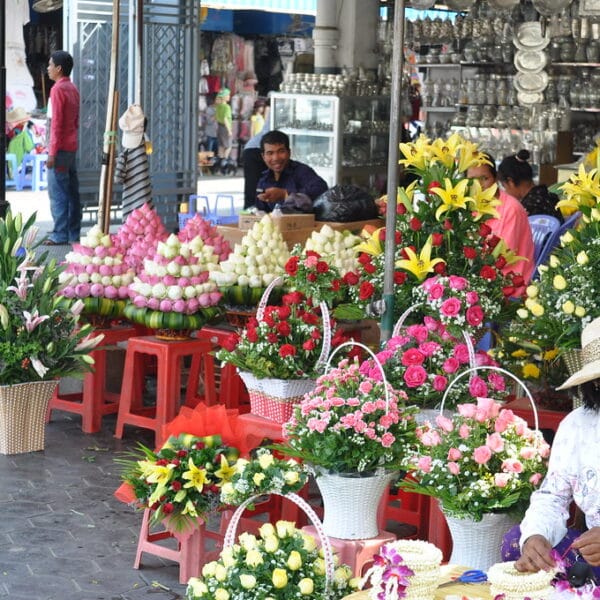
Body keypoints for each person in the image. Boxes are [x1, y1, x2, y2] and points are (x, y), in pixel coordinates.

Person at [502, 316, 600, 575]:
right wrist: (536, 536)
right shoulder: (577, 426)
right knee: (515, 542)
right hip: (594, 556)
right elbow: (553, 496)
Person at [467, 153, 535, 285]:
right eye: (472, 181)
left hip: (509, 283)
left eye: (484, 178)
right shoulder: (470, 207)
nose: (478, 185)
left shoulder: (511, 209)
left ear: (496, 178)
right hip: (481, 278)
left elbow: (501, 258)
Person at [45, 50, 81, 246]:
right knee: (71, 192)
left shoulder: (58, 89)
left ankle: (60, 234)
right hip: (70, 147)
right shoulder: (73, 88)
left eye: (50, 65)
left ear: (59, 68)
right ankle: (73, 233)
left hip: (59, 149)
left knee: (58, 192)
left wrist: (51, 153)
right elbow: (74, 121)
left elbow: (56, 123)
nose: (48, 68)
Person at [255, 130, 328, 213]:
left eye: (281, 151)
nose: (276, 158)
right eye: (270, 153)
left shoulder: (301, 171)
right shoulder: (264, 180)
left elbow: (321, 189)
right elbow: (261, 211)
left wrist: (286, 194)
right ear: (263, 156)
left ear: (289, 152)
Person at [497, 150, 563, 222]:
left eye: (504, 186)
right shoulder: (550, 196)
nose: (505, 191)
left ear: (510, 182)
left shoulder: (528, 208)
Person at [242, 104, 269, 209]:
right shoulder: (277, 109)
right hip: (255, 149)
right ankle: (250, 213)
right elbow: (267, 133)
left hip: (264, 148)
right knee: (253, 187)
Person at [215, 87, 232, 160]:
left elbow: (216, 118)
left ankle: (220, 161)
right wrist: (229, 131)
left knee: (221, 146)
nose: (229, 96)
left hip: (219, 127)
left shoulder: (218, 106)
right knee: (229, 146)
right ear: (224, 97)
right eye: (228, 95)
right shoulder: (227, 107)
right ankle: (225, 161)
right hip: (225, 128)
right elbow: (225, 119)